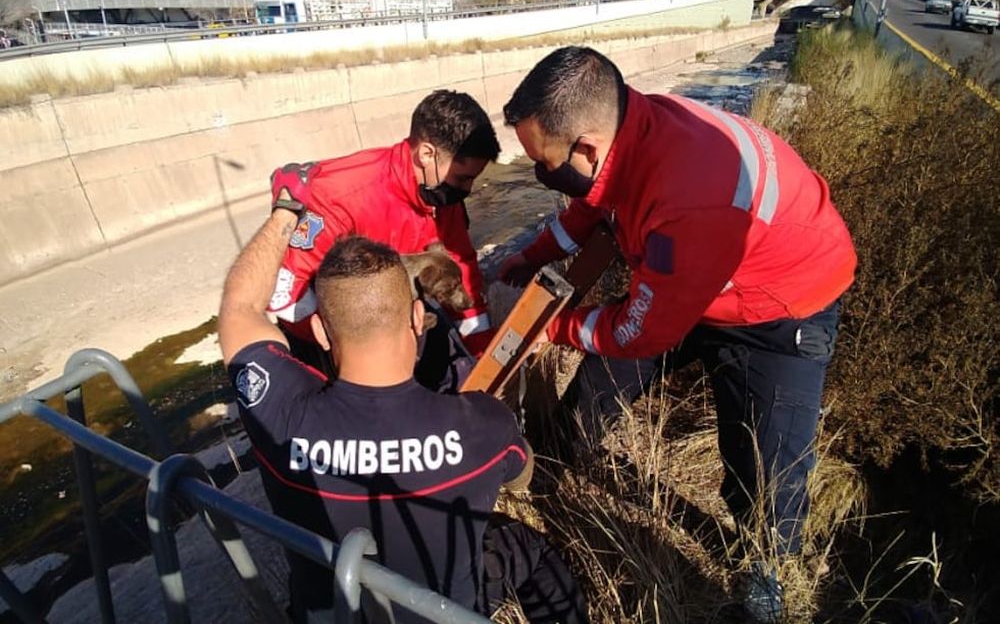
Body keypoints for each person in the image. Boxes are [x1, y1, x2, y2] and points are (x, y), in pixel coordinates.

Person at [498, 46, 856, 622]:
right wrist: (530, 257)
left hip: (779, 305)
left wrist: (556, 327)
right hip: (695, 276)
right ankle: (557, 468)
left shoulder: (691, 194)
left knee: (767, 460)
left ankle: (766, 569)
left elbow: (641, 332)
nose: (543, 177)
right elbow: (592, 206)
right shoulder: (634, 127)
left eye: (546, 166)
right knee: (598, 385)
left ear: (587, 147)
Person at [219, 208, 588, 623]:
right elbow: (520, 473)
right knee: (527, 549)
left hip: (331, 612)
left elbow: (240, 307)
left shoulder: (277, 411)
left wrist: (285, 213)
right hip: (441, 613)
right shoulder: (483, 423)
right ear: (417, 318)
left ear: (321, 330)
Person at [267, 89, 500, 390]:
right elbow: (285, 294)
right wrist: (353, 348)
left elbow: (460, 262)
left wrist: (479, 339)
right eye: (462, 179)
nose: (467, 190)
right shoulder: (341, 193)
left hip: (402, 317)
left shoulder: (441, 195)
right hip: (333, 335)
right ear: (426, 154)